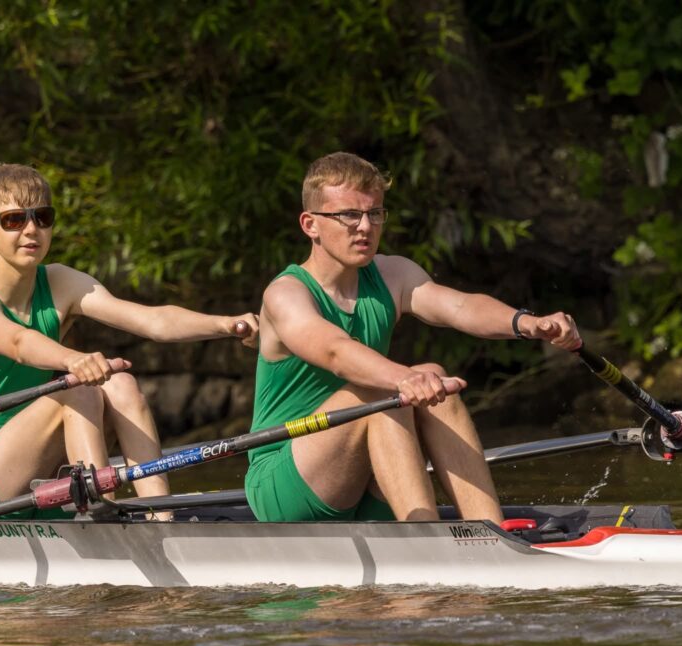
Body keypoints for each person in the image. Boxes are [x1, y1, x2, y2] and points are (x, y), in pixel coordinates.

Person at [244, 152, 582, 523]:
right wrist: (404, 379)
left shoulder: (392, 273)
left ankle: (490, 531)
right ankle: (426, 539)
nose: (365, 227)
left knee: (436, 380)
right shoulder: (286, 295)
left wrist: (527, 323)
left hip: (364, 475)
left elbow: (460, 307)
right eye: (349, 215)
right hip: (284, 483)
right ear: (311, 224)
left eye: (375, 214)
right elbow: (335, 351)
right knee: (384, 390)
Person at [0, 163, 258, 519]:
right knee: (77, 388)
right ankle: (97, 509)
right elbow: (17, 342)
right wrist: (73, 360)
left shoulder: (59, 282)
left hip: (36, 469)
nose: (32, 230)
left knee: (120, 384)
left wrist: (226, 324)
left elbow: (152, 321)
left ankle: (162, 518)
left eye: (43, 217)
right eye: (14, 220)